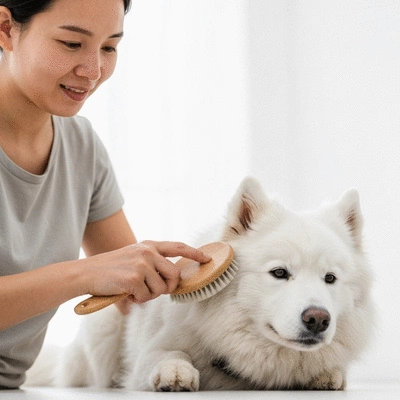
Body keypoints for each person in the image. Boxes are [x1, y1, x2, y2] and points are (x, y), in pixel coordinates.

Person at [0, 0, 211, 389]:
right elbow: (101, 272)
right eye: (70, 43)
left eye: (110, 47)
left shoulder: (81, 147)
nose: (93, 71)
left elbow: (134, 297)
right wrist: (84, 274)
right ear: (5, 28)